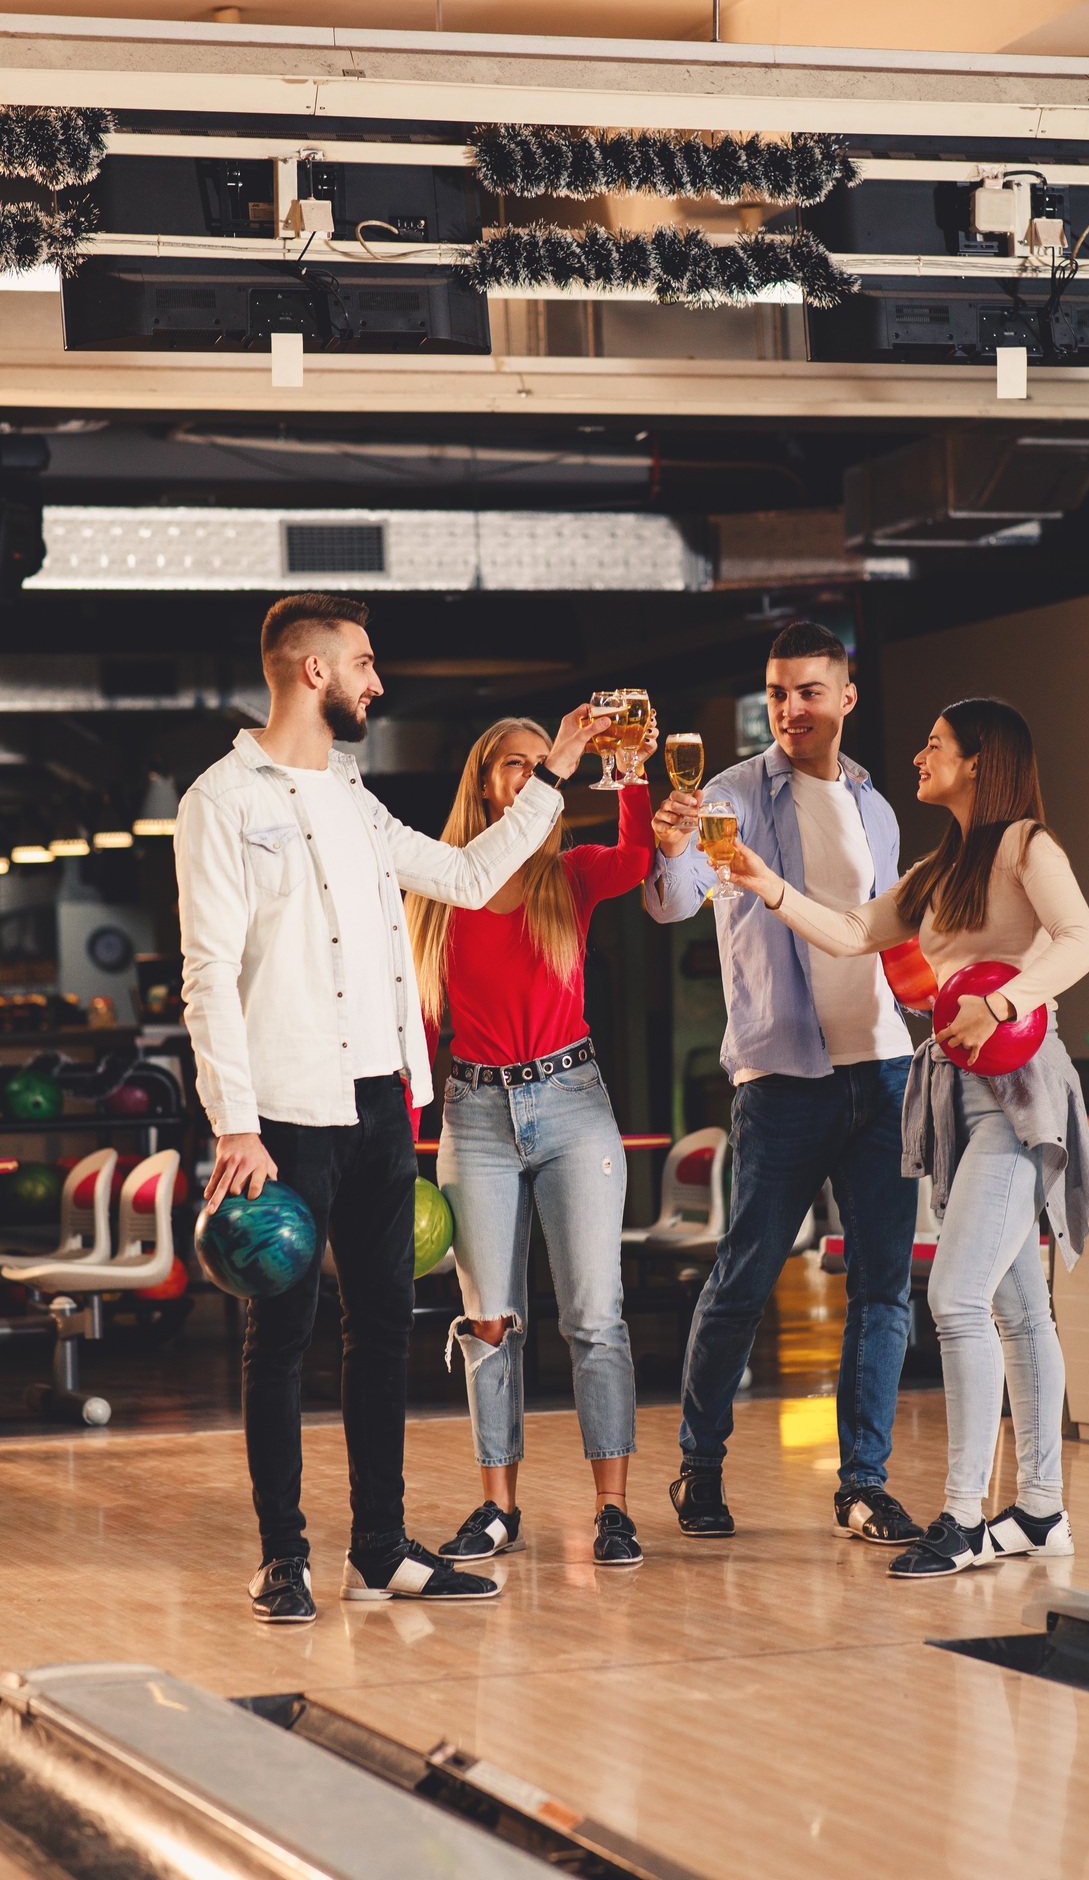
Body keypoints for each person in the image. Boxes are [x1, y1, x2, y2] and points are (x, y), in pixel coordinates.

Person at [176, 593, 605, 1622]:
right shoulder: (221, 800)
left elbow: (463, 876)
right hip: (279, 1110)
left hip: (380, 1100)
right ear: (313, 671)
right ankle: (284, 1555)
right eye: (363, 662)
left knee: (382, 1326)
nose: (378, 681)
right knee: (280, 1336)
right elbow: (206, 970)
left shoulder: (358, 800)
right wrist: (234, 1120)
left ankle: (379, 1545)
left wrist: (551, 781)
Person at [728, 697, 1089, 1578]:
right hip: (959, 1101)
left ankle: (965, 1518)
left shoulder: (1026, 847)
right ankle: (1041, 1513)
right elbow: (855, 930)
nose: (917, 758)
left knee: (957, 1300)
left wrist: (1004, 998)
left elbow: (1080, 940)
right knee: (1013, 1309)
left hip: (1019, 1098)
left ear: (979, 761)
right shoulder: (941, 868)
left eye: (934, 746)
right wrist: (762, 883)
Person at [646, 621, 924, 1548]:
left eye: (808, 691)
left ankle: (862, 1485)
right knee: (745, 1277)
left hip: (883, 1070)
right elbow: (675, 902)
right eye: (775, 692)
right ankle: (699, 1467)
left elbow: (885, 931)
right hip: (784, 1077)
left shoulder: (876, 806)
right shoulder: (726, 795)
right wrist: (669, 846)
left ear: (845, 699)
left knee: (883, 1288)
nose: (789, 709)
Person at [406, 719, 655, 1568]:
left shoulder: (566, 876)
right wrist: (404, 1149)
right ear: (485, 782)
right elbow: (422, 1025)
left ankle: (612, 1508)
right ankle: (496, 1509)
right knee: (489, 1322)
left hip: (572, 1102)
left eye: (542, 764)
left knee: (595, 1316)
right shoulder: (441, 890)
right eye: (517, 764)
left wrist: (627, 771)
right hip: (472, 1113)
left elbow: (635, 858)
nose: (533, 775)